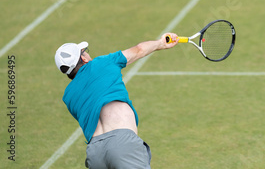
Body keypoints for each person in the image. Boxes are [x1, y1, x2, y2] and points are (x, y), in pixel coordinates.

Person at [54, 33, 179, 168]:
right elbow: (139, 50)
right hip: (122, 144)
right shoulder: (103, 62)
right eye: (85, 52)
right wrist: (161, 43)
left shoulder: (68, 96)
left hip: (95, 154)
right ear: (83, 58)